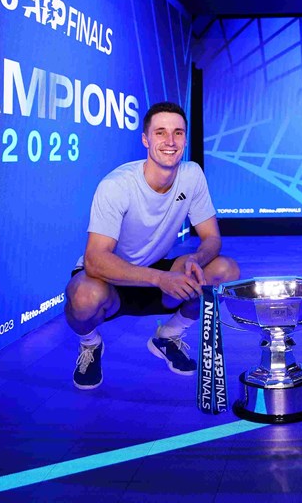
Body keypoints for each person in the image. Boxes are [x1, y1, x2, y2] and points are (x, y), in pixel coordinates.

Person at [64, 102, 239, 390]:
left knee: (224, 270)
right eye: (160, 133)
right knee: (83, 298)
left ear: (185, 138)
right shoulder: (117, 185)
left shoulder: (192, 175)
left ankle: (168, 335)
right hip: (111, 278)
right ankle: (90, 344)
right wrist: (161, 278)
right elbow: (95, 260)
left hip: (158, 272)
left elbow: (213, 238)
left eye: (178, 133)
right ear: (146, 140)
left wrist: (195, 257)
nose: (170, 142)